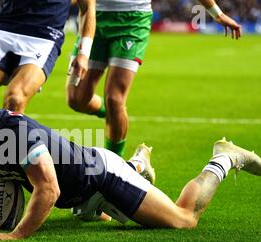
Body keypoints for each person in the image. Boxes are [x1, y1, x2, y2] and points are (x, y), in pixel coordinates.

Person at [0, 87, 261, 241]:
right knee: (95, 211)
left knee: (183, 219)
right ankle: (137, 164)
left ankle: (224, 157)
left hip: (101, 178)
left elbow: (48, 190)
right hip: (79, 192)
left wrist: (17, 235)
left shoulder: (17, 135)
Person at [0, 0, 96, 197]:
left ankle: (7, 174)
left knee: (15, 98)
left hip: (44, 36)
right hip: (4, 30)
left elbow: (88, 8)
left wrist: (83, 53)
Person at [66, 0, 242, 159]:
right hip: (93, 15)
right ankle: (112, 113)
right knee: (76, 99)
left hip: (132, 21)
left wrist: (217, 14)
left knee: (115, 98)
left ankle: (114, 169)